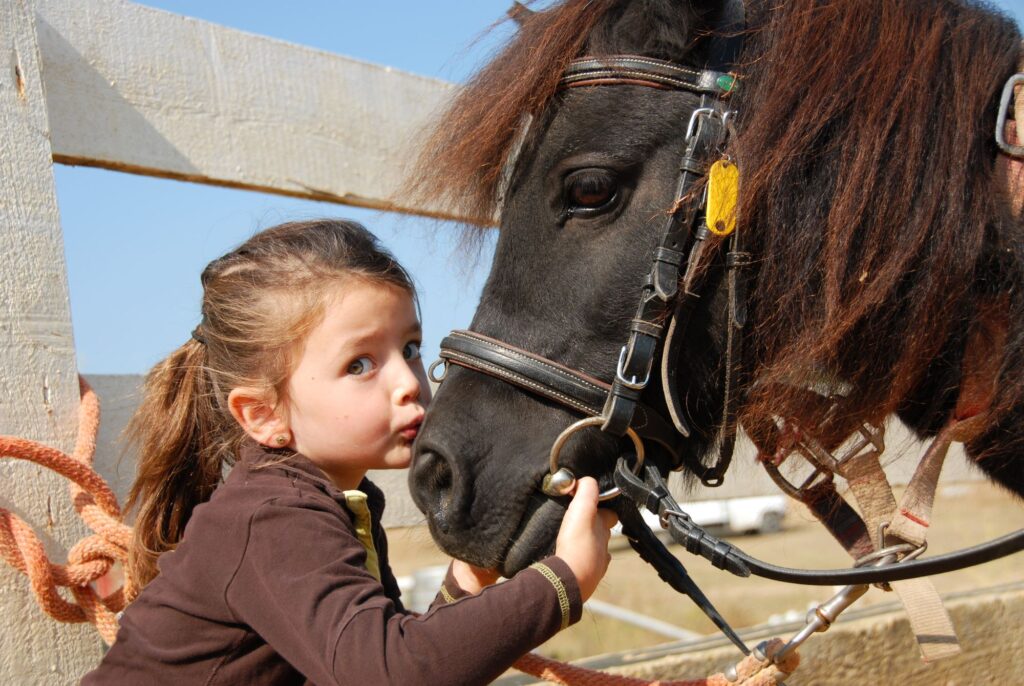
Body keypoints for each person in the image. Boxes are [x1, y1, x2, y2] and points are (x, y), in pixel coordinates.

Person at [82, 219, 616, 685]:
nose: (409, 381)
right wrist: (562, 583)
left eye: (409, 348)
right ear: (263, 415)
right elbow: (391, 673)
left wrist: (465, 584)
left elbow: (367, 658)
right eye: (359, 364)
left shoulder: (331, 500)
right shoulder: (272, 518)